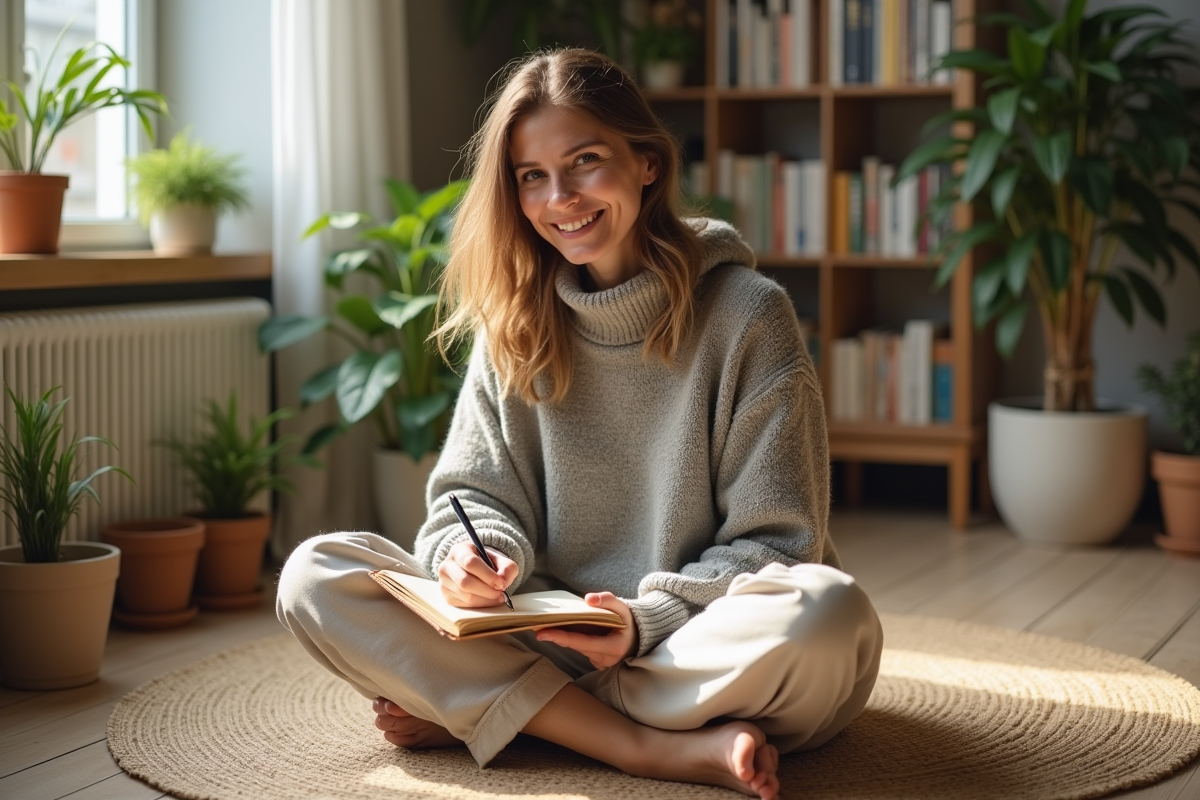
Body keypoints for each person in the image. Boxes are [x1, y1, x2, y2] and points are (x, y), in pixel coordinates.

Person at [276, 47, 883, 800]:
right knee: (315, 574)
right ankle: (638, 745)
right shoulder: (515, 322)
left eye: (585, 161)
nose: (559, 198)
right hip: (549, 637)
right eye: (531, 175)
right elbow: (473, 498)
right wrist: (476, 556)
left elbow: (779, 544)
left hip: (688, 641)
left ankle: (508, 710)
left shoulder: (749, 315)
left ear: (647, 163)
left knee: (830, 616)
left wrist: (643, 620)